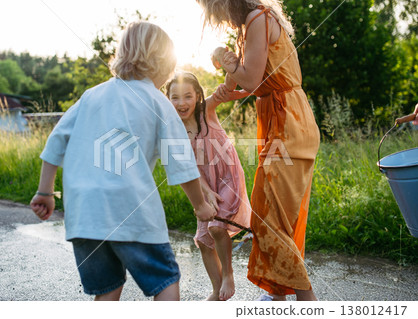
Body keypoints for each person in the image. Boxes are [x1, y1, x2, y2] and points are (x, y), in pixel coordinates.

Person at [30, 21, 216, 301]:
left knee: (108, 288)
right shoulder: (157, 101)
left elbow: (56, 141)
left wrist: (45, 192)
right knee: (165, 280)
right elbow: (179, 161)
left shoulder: (91, 96)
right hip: (130, 209)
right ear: (163, 64)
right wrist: (201, 206)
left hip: (84, 215)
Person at [197, 0, 320, 301]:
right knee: (276, 214)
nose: (214, 16)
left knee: (270, 219)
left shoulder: (256, 18)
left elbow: (250, 77)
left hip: (287, 122)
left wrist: (225, 61)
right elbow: (256, 83)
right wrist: (231, 87)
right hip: (284, 119)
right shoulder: (251, 24)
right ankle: (276, 294)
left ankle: (308, 301)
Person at [166, 72, 251, 301]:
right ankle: (216, 291)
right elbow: (191, 168)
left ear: (197, 96)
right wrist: (206, 192)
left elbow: (226, 87)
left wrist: (230, 68)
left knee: (216, 228)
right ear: (168, 99)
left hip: (227, 176)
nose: (182, 103)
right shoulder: (175, 132)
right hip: (205, 184)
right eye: (175, 98)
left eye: (187, 96)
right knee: (204, 241)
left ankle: (229, 276)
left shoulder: (207, 111)